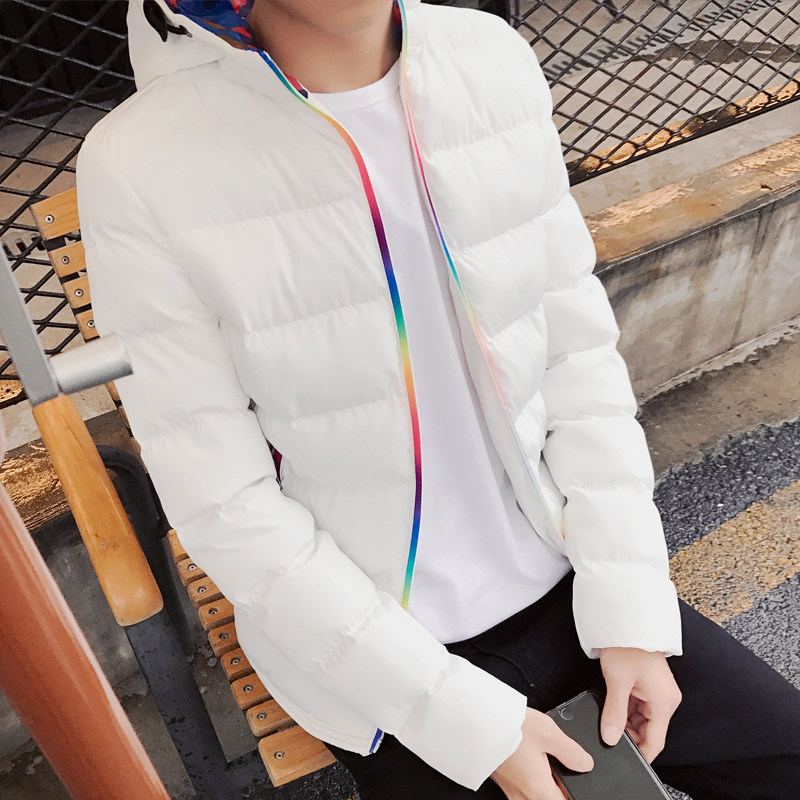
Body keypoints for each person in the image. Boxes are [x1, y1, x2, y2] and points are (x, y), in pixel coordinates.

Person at [75, 1, 800, 798]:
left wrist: (631, 615)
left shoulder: (488, 57)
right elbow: (224, 503)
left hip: (568, 577)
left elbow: (577, 359)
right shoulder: (143, 161)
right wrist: (462, 721)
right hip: (374, 657)